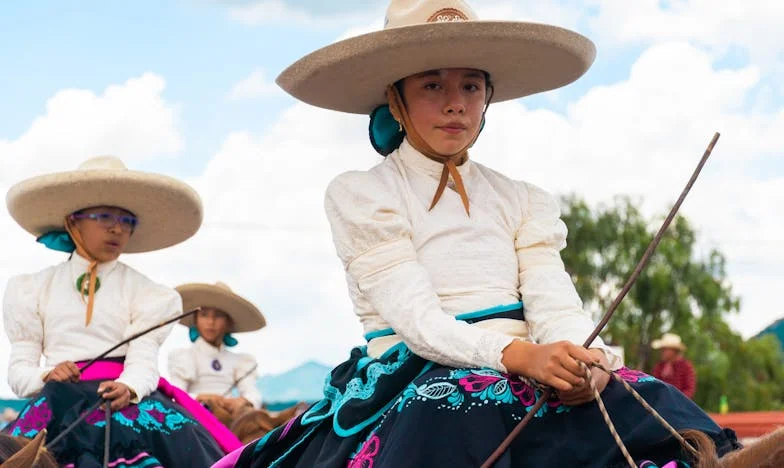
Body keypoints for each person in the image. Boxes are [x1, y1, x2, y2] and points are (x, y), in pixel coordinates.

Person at [216, 0, 748, 466]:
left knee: (658, 411)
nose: (456, 103)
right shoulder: (362, 194)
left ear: (487, 97)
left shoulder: (522, 199)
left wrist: (587, 360)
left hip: (536, 359)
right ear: (395, 98)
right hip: (420, 367)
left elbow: (554, 299)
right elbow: (419, 322)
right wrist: (520, 358)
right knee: (446, 415)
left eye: (470, 86)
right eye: (432, 86)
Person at [2, 156, 232, 466]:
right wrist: (46, 373)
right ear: (73, 220)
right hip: (56, 405)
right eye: (104, 216)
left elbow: (143, 359)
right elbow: (19, 372)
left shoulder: (149, 293)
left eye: (127, 221)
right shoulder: (32, 288)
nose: (117, 229)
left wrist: (131, 386)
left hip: (123, 401)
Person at [168, 282, 266, 423]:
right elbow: (177, 394)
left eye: (218, 316)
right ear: (195, 319)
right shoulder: (185, 357)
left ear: (228, 322)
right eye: (204, 315)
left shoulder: (240, 360)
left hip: (230, 419)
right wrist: (201, 397)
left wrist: (244, 401)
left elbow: (252, 392)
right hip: (196, 420)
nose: (211, 321)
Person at [652, 333, 696, 399]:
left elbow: (689, 389)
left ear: (674, 351)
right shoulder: (659, 366)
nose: (662, 352)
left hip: (679, 404)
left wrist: (677, 399)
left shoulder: (686, 366)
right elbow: (654, 385)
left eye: (664, 349)